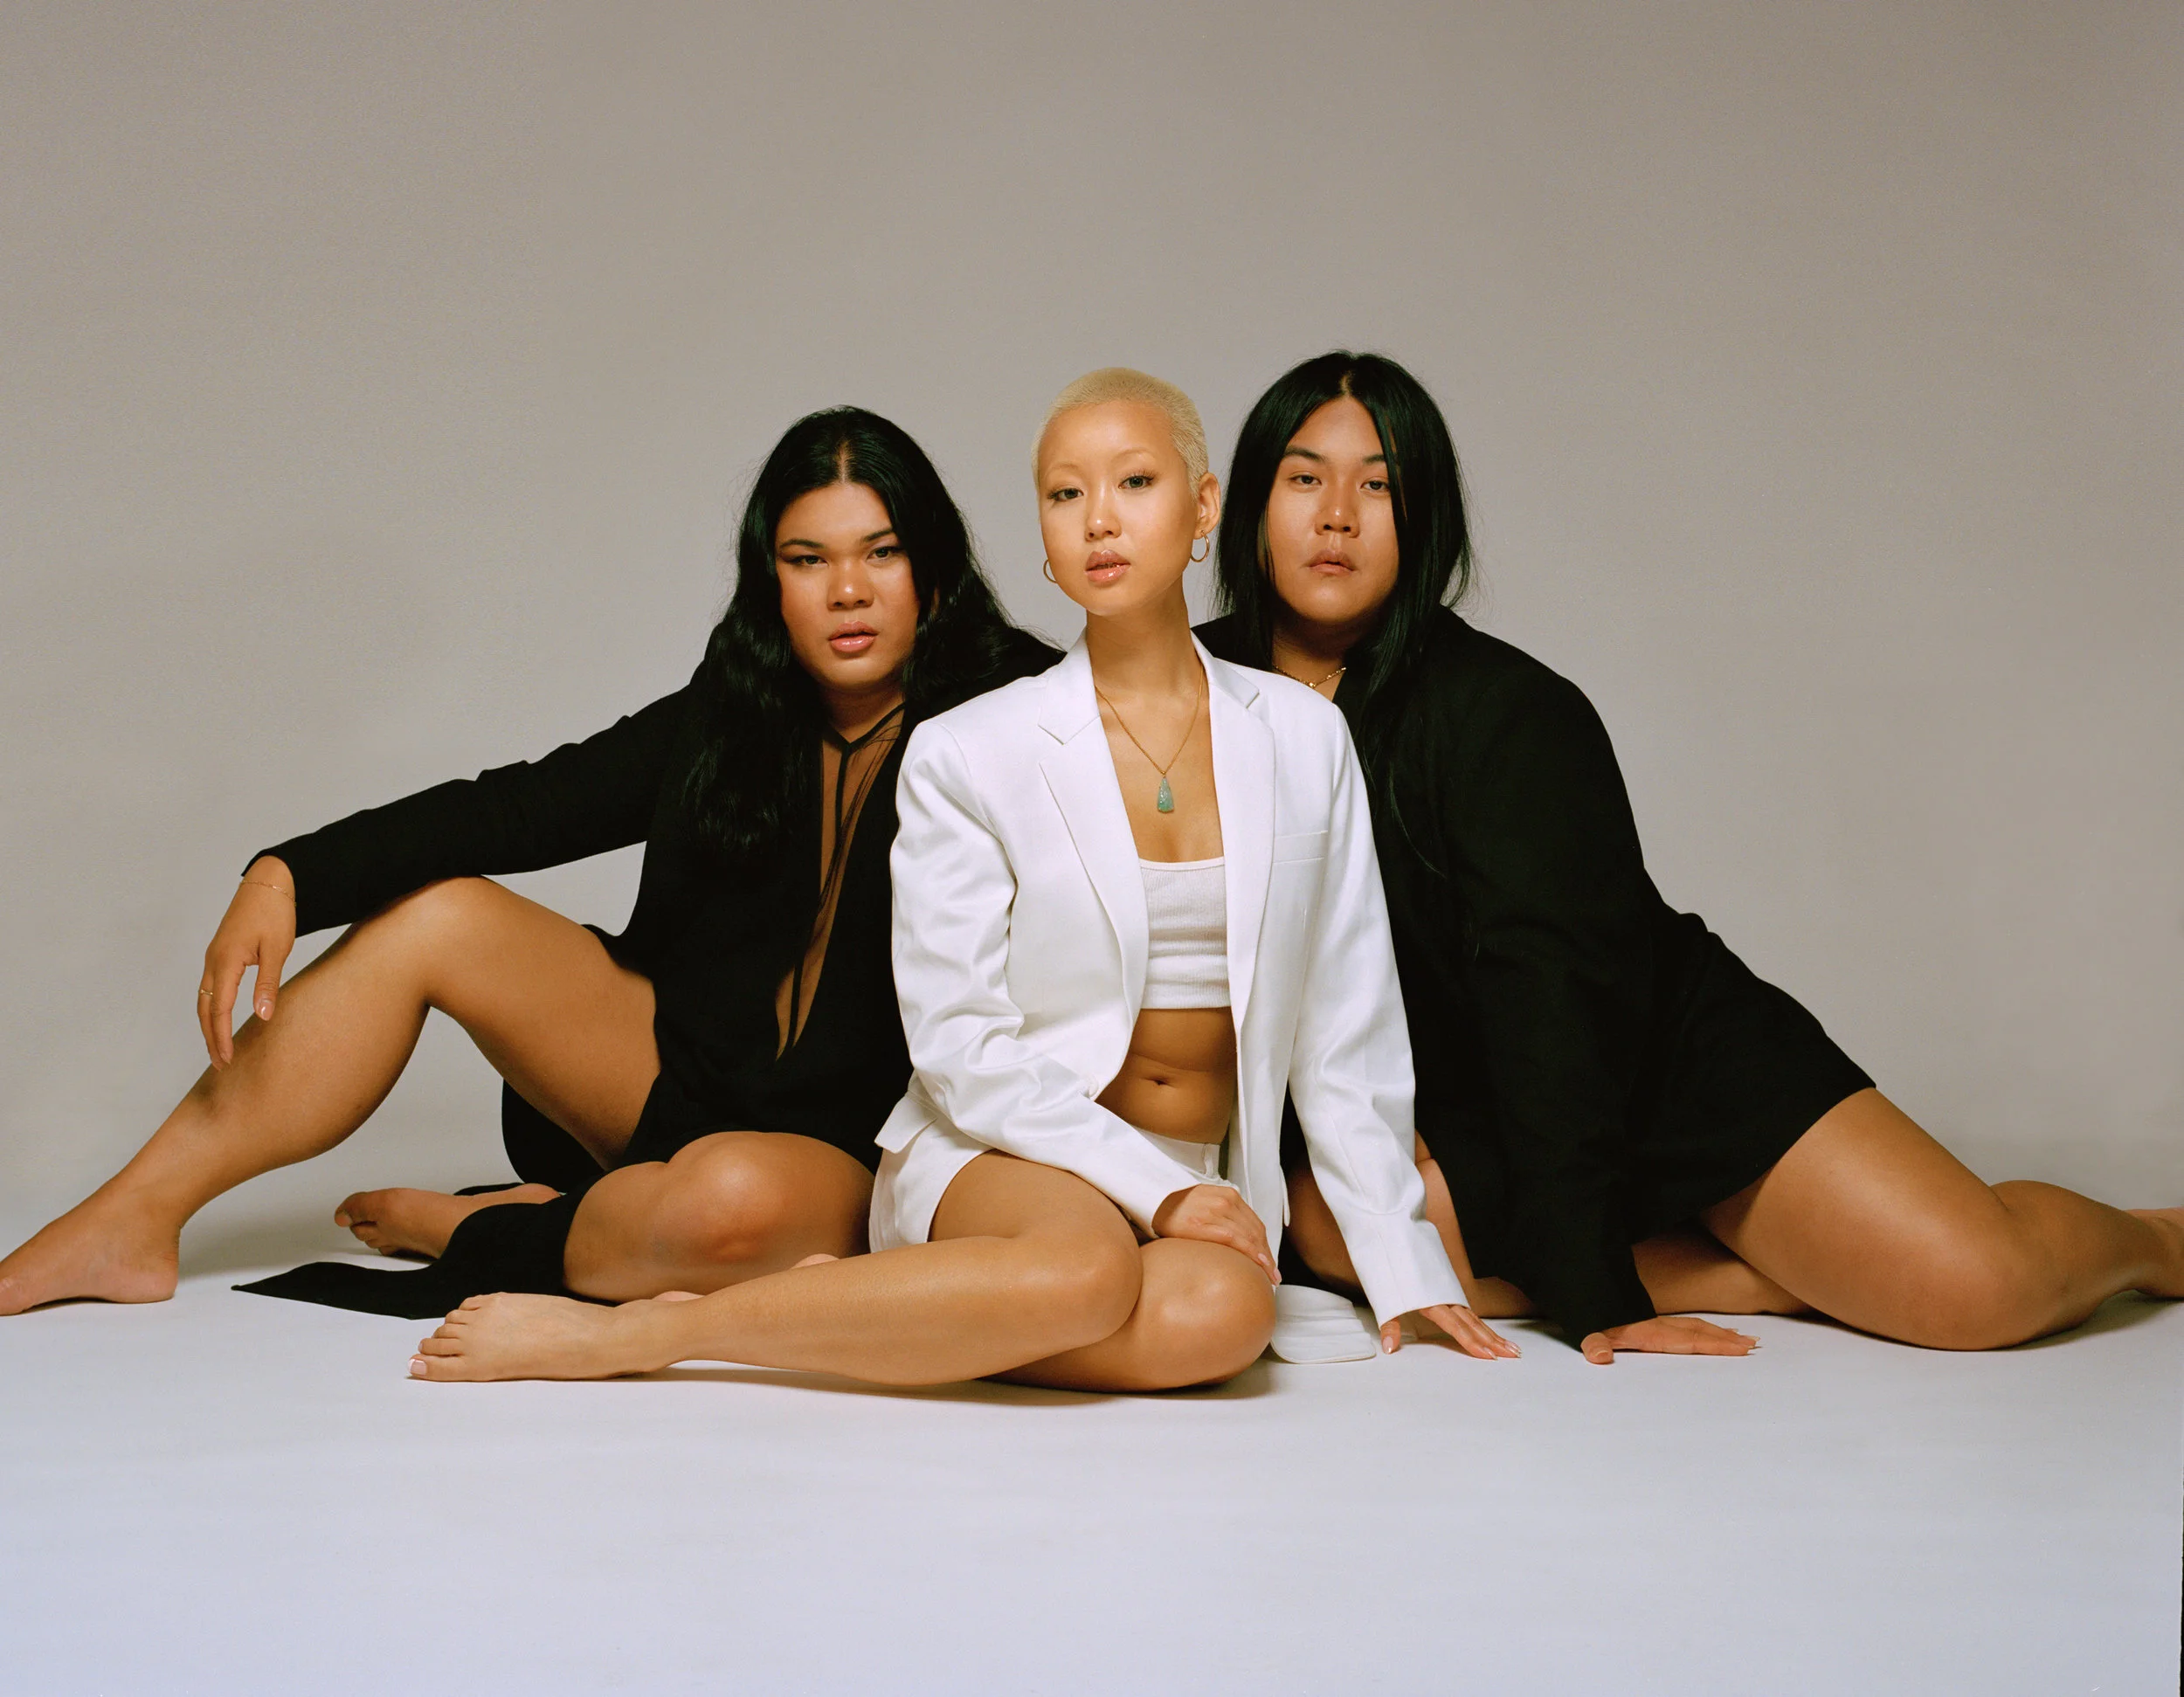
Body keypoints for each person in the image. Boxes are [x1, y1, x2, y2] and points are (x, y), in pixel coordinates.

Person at [403, 368, 1515, 1386]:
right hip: (1003, 1145)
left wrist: (1405, 1265)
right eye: (1065, 494)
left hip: (1201, 1166)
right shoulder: (973, 747)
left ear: (1204, 506)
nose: (1100, 518)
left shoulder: (1303, 738)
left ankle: (871, 1309)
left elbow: (1347, 1025)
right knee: (1084, 1269)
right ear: (1044, 541)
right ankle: (643, 1335)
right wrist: (1158, 1191)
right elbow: (959, 1044)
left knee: (1221, 1319)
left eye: (1135, 482)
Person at [1198, 348, 2184, 1363]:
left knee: (1982, 1288)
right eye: (1305, 477)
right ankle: (1769, 1277)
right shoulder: (1185, 689)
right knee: (1328, 1226)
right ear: (1251, 501)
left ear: (1427, 515)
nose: (1337, 516)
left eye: (1379, 486)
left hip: (1645, 1069)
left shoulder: (1508, 712)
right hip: (1450, 1116)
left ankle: (2153, 1239)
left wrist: (1594, 1291)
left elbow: (1555, 1009)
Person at [0, 407, 1054, 1321]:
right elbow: (517, 807)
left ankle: (488, 1230)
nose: (848, 590)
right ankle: (129, 1218)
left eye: (880, 552)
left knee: (729, 1205)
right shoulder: (734, 710)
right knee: (438, 913)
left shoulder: (1026, 710)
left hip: (854, 1146)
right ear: (769, 578)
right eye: (808, 558)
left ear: (932, 566)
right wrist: (285, 874)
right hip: (677, 1080)